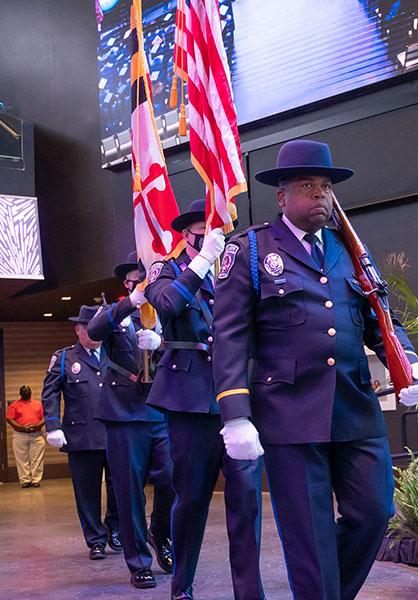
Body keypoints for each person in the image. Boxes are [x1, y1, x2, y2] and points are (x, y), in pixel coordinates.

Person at [213, 139, 418, 600]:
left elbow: (380, 318)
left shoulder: (347, 248)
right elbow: (230, 336)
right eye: (307, 185)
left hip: (354, 408)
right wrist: (235, 414)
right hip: (289, 415)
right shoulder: (252, 251)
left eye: (325, 186)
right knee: (309, 537)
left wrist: (410, 362)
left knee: (374, 513)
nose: (319, 195)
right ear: (282, 197)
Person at [144, 202, 266, 600]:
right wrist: (204, 261)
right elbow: (167, 304)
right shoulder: (168, 270)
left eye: (214, 231)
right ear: (186, 235)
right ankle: (182, 585)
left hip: (236, 399)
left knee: (247, 499)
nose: (211, 237)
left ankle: (249, 592)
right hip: (191, 400)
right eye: (202, 230)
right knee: (192, 497)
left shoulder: (234, 270)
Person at [88, 259, 175, 590]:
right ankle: (139, 561)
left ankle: (161, 534)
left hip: (162, 409)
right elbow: (95, 333)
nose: (142, 284)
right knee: (129, 490)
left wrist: (161, 342)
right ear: (127, 283)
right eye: (136, 280)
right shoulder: (115, 312)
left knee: (171, 478)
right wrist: (130, 305)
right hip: (124, 412)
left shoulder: (167, 311)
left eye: (147, 279)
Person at [42, 305, 121, 560]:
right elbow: (50, 392)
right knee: (86, 492)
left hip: (116, 433)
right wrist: (53, 425)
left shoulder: (116, 353)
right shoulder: (65, 358)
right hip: (82, 436)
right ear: (78, 330)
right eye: (89, 327)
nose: (95, 332)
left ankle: (116, 530)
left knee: (120, 488)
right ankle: (95, 539)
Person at [5, 385, 46, 488]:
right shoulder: (14, 405)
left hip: (36, 434)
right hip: (20, 434)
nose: (26, 392)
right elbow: (9, 418)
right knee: (21, 459)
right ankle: (25, 480)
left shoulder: (38, 404)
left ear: (30, 393)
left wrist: (38, 425)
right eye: (24, 391)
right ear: (20, 393)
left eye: (27, 391)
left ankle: (35, 480)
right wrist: (21, 427)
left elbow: (45, 417)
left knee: (37, 458)